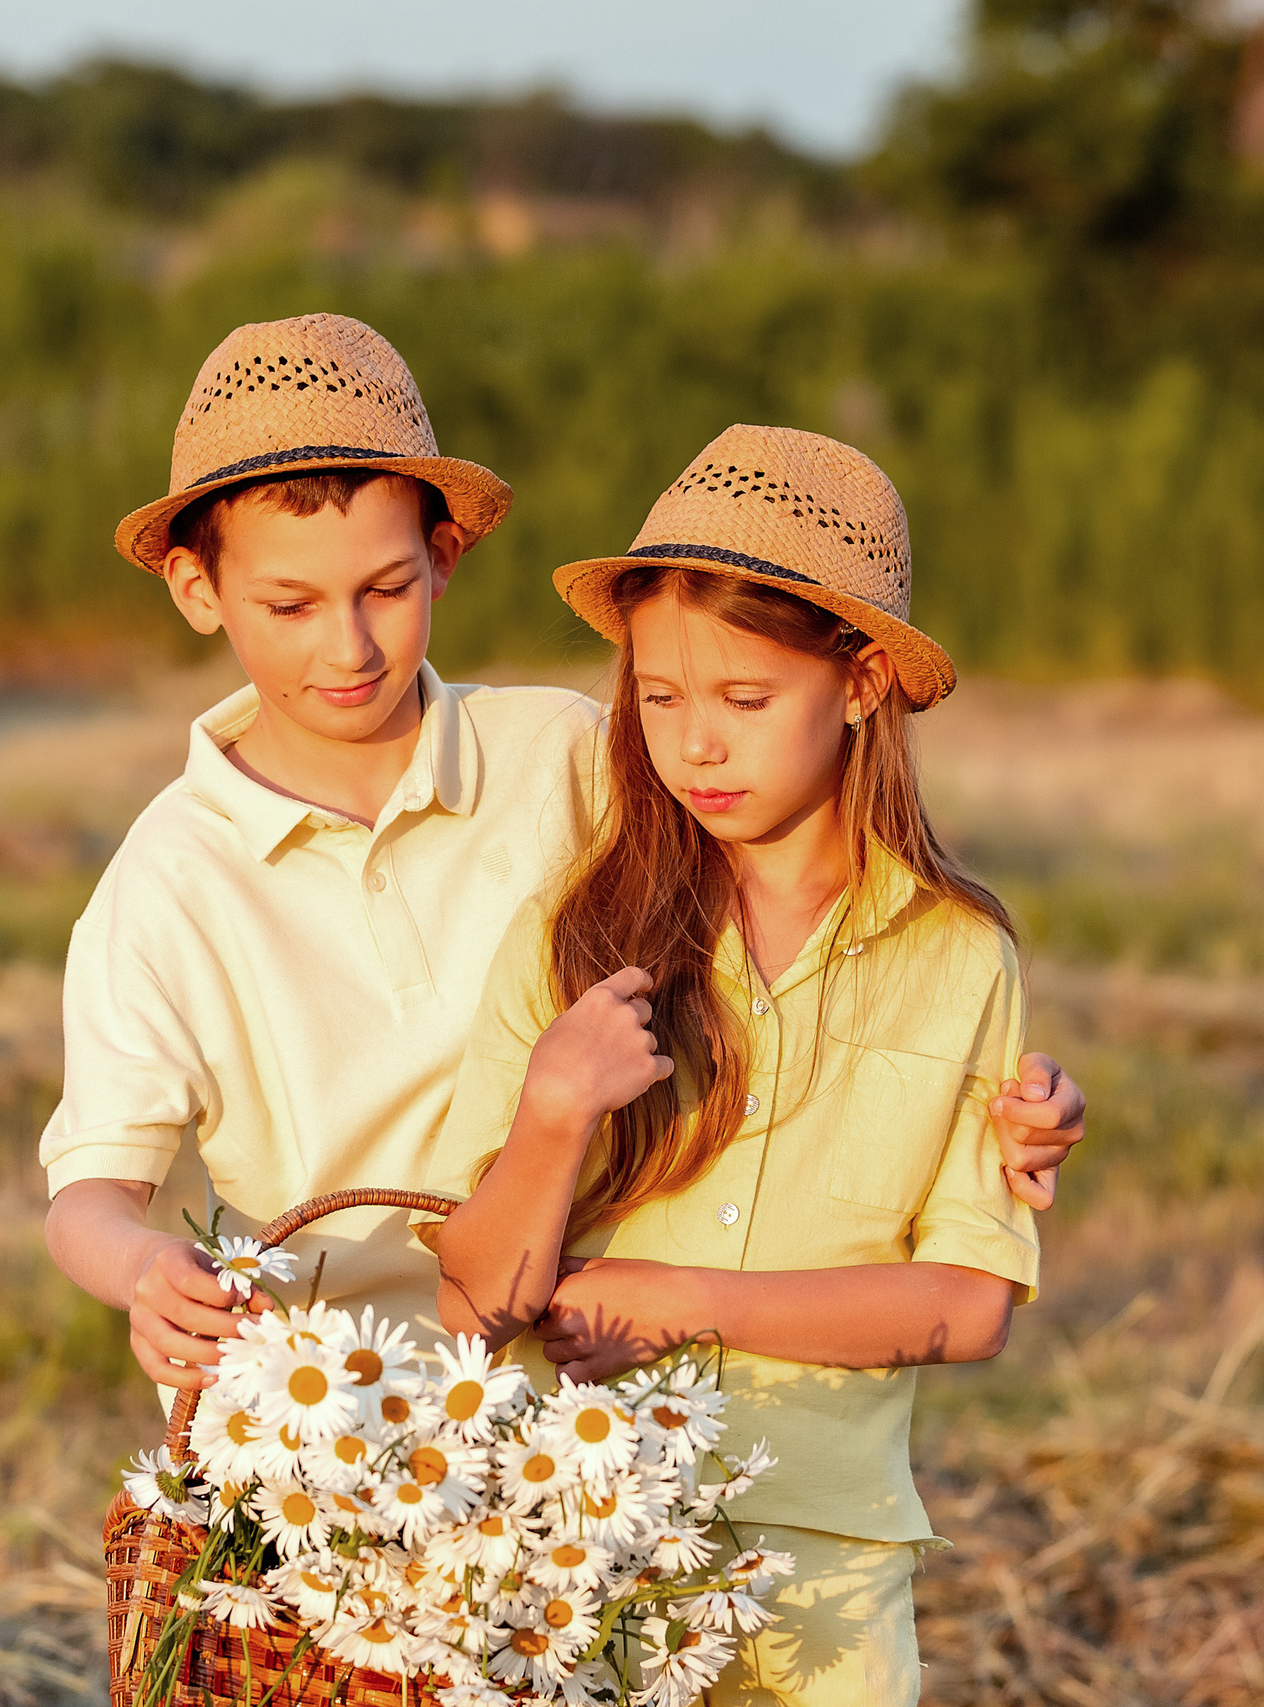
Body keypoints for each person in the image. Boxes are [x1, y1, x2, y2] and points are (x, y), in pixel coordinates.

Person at [40, 314, 1085, 1400]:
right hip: (319, 1412)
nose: (346, 647)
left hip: (567, 1388)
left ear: (442, 560)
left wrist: (992, 1109)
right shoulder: (165, 883)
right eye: (288, 605)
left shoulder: (568, 755)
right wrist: (146, 1268)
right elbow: (89, 1200)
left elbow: (803, 914)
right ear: (197, 591)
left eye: (385, 591)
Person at [434, 425, 1035, 1706]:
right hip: (580, 1562)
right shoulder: (572, 936)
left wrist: (676, 1300)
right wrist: (552, 1113)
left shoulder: (958, 957)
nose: (695, 745)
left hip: (829, 1586)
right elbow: (474, 1306)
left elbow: (970, 1301)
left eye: (744, 702)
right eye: (660, 698)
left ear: (863, 681)